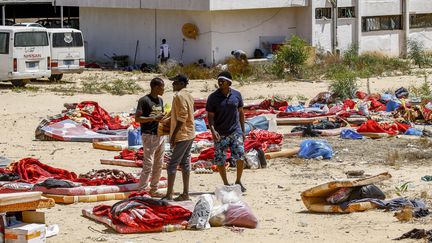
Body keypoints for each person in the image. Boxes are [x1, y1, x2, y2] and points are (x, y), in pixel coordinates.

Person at [206, 71, 247, 192]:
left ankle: (238, 181)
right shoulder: (213, 98)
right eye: (219, 80)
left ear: (229, 82)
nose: (220, 82)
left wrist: (243, 131)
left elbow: (241, 113)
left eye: (222, 80)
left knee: (240, 156)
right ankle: (226, 183)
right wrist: (213, 131)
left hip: (236, 131)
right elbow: (210, 116)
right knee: (220, 159)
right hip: (220, 133)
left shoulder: (237, 95)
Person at [163, 74, 195, 201]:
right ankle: (185, 193)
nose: (172, 85)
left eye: (175, 82)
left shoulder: (179, 96)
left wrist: (173, 135)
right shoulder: (188, 95)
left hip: (182, 134)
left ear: (182, 84)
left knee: (172, 164)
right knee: (185, 163)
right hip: (190, 133)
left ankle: (169, 194)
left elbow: (183, 116)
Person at [134, 77, 165, 197]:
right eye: (162, 87)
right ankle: (141, 190)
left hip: (160, 135)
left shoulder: (161, 101)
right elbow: (137, 118)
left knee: (159, 164)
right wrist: (152, 118)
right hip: (149, 135)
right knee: (148, 164)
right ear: (156, 87)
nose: (163, 90)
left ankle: (154, 189)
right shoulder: (144, 100)